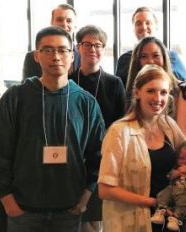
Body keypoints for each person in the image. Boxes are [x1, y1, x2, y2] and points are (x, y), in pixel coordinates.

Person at [0, 26, 105, 232]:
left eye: (63, 50)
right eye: (48, 50)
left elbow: (99, 156)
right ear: (37, 56)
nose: (56, 56)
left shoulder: (85, 103)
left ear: (72, 57)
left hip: (69, 211)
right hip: (23, 211)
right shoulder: (16, 98)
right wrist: (9, 203)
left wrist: (85, 198)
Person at [98, 64, 186, 232]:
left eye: (163, 92)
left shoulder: (170, 126)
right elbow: (105, 190)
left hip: (169, 221)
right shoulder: (119, 131)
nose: (158, 98)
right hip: (132, 222)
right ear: (137, 92)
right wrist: (152, 202)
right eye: (151, 91)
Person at [69, 24, 126, 232]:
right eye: (87, 44)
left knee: (95, 220)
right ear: (78, 47)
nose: (92, 49)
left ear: (104, 49)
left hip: (104, 157)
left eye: (98, 45)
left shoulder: (114, 83)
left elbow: (121, 123)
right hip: (72, 157)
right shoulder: (67, 82)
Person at [115, 6, 186, 86]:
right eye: (138, 23)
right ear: (133, 29)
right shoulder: (124, 59)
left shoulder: (172, 57)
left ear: (156, 26)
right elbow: (119, 92)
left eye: (148, 23)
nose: (143, 27)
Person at [151, 138, 186, 231]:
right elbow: (169, 176)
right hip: (173, 191)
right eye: (181, 158)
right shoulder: (177, 168)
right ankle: (160, 211)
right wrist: (177, 173)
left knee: (183, 202)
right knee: (162, 194)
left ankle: (176, 219)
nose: (184, 162)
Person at [22, 3, 80, 80]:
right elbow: (26, 89)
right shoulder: (31, 58)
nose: (64, 24)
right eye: (59, 19)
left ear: (75, 25)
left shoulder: (83, 56)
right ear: (51, 22)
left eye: (69, 21)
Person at [125, 36, 179, 116]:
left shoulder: (180, 90)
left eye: (156, 55)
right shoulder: (130, 91)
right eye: (144, 56)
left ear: (164, 58)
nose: (150, 61)